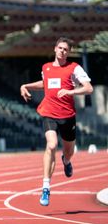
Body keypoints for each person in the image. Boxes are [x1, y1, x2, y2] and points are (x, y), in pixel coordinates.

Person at [20, 37, 93, 206]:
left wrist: (70, 92)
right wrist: (26, 86)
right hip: (49, 112)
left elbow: (89, 88)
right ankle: (46, 188)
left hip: (67, 116)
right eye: (60, 48)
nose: (62, 51)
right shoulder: (46, 68)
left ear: (69, 52)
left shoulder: (74, 68)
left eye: (65, 49)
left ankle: (66, 162)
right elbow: (45, 84)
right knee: (51, 145)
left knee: (68, 152)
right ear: (55, 49)